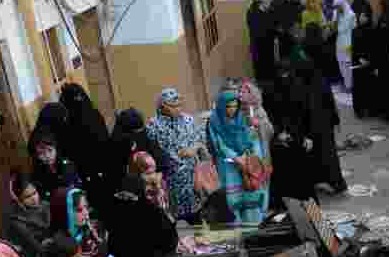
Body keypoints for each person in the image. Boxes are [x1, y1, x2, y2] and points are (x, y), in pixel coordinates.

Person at [207, 90, 271, 225]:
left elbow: (248, 138)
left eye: (235, 106)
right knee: (233, 197)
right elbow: (219, 144)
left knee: (249, 191)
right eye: (229, 106)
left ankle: (254, 223)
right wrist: (236, 158)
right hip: (228, 165)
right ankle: (237, 224)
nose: (232, 109)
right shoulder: (215, 121)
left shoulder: (240, 118)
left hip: (245, 162)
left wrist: (247, 154)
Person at [146, 88, 207, 223]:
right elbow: (153, 150)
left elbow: (200, 139)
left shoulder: (189, 120)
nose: (177, 109)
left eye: (179, 105)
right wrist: (176, 155)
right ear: (162, 106)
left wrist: (194, 148)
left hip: (191, 176)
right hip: (170, 178)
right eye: (173, 106)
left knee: (196, 216)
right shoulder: (153, 125)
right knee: (173, 218)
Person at [59, 84, 113, 221]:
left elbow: (68, 150)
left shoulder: (68, 123)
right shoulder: (94, 114)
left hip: (86, 171)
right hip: (100, 168)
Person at [294, 58, 347, 195]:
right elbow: (330, 102)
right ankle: (332, 182)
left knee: (322, 155)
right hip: (325, 124)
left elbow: (302, 108)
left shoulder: (301, 84)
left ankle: (330, 182)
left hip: (313, 126)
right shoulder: (320, 80)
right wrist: (335, 121)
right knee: (328, 155)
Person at [267, 66, 317, 210]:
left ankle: (308, 209)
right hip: (281, 145)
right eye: (281, 74)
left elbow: (308, 114)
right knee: (285, 180)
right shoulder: (271, 93)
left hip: (299, 139)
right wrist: (278, 133)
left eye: (287, 74)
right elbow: (270, 116)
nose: (284, 77)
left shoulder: (300, 89)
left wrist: (309, 136)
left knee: (303, 179)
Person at [27, 106, 78, 204]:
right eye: (41, 153)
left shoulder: (66, 164)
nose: (46, 155)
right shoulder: (39, 138)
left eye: (49, 151)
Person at [4, 173, 49, 257]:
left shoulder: (45, 206)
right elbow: (37, 247)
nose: (34, 198)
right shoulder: (17, 220)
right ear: (18, 200)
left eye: (34, 193)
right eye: (27, 197)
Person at [111, 107, 168, 182]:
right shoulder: (119, 141)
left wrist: (158, 175)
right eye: (136, 131)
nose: (141, 133)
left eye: (141, 130)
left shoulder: (146, 137)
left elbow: (162, 163)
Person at [351, 9, 376, 119]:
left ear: (368, 17)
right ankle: (359, 110)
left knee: (369, 86)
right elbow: (354, 47)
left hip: (369, 63)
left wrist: (369, 60)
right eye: (360, 16)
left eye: (363, 16)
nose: (361, 18)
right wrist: (360, 58)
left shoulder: (372, 30)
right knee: (358, 86)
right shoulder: (355, 30)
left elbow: (374, 47)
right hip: (358, 62)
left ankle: (370, 109)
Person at [247, 0, 275, 81]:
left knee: (260, 63)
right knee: (264, 62)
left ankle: (262, 79)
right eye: (260, 1)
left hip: (258, 41)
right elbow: (267, 25)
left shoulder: (251, 11)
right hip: (262, 41)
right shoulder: (257, 11)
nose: (261, 2)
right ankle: (265, 79)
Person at [334, 0, 357, 93]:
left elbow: (343, 29)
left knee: (348, 65)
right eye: (337, 7)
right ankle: (347, 84)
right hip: (340, 43)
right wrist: (337, 18)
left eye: (339, 6)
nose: (337, 9)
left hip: (348, 44)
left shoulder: (351, 15)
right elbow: (336, 29)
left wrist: (338, 19)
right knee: (341, 64)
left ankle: (350, 86)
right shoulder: (338, 14)